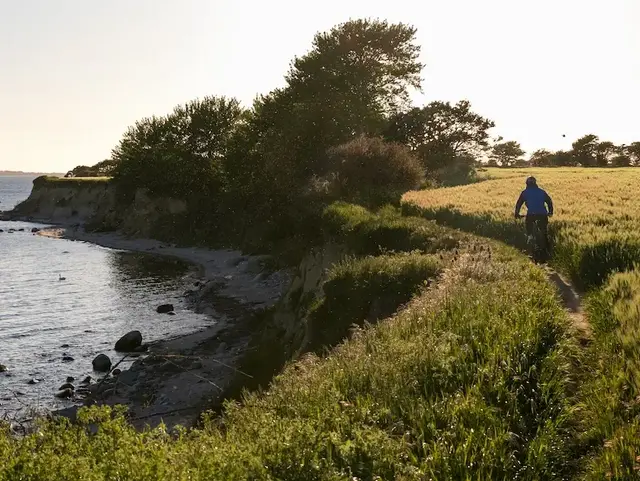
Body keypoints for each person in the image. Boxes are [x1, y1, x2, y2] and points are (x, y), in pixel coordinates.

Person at [514, 176, 553, 250]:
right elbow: (549, 201)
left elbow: (519, 204)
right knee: (544, 231)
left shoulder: (525, 192)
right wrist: (550, 212)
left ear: (527, 184)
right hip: (543, 214)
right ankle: (547, 247)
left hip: (531, 214)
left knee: (529, 227)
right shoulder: (541, 191)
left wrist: (517, 214)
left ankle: (530, 238)